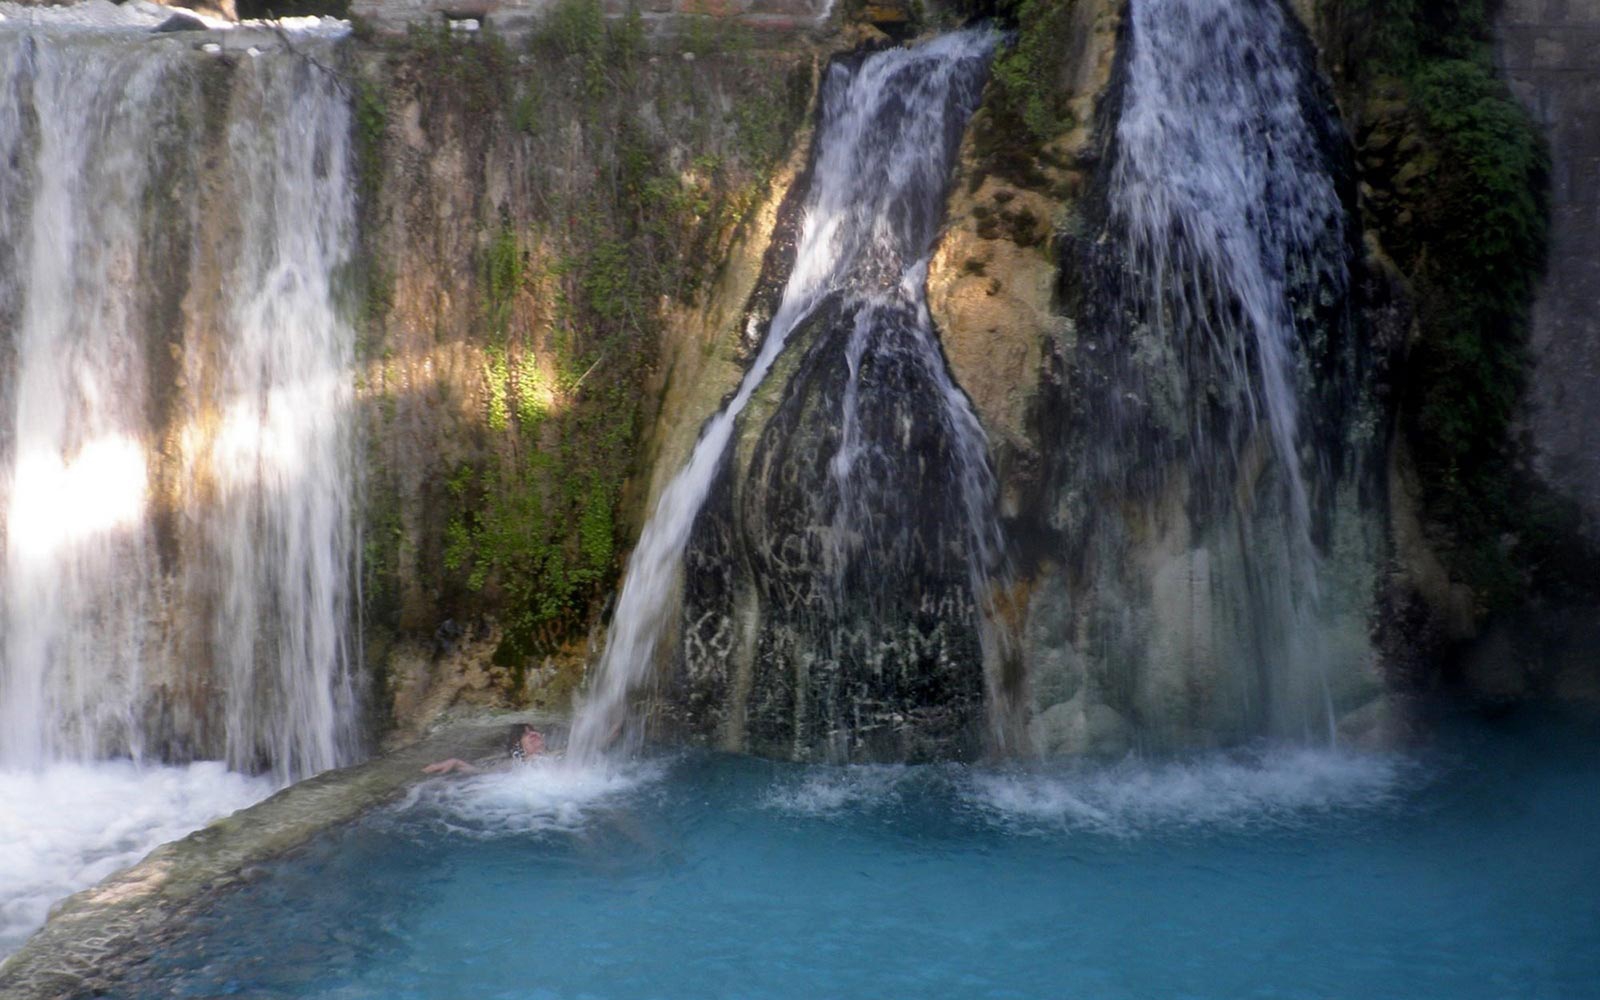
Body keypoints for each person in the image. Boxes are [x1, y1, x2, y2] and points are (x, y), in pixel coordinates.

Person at [423, 722, 545, 775]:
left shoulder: (561, 759)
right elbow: (479, 772)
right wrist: (455, 762)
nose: (532, 734)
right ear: (517, 745)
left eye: (533, 731)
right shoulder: (513, 765)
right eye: (525, 734)